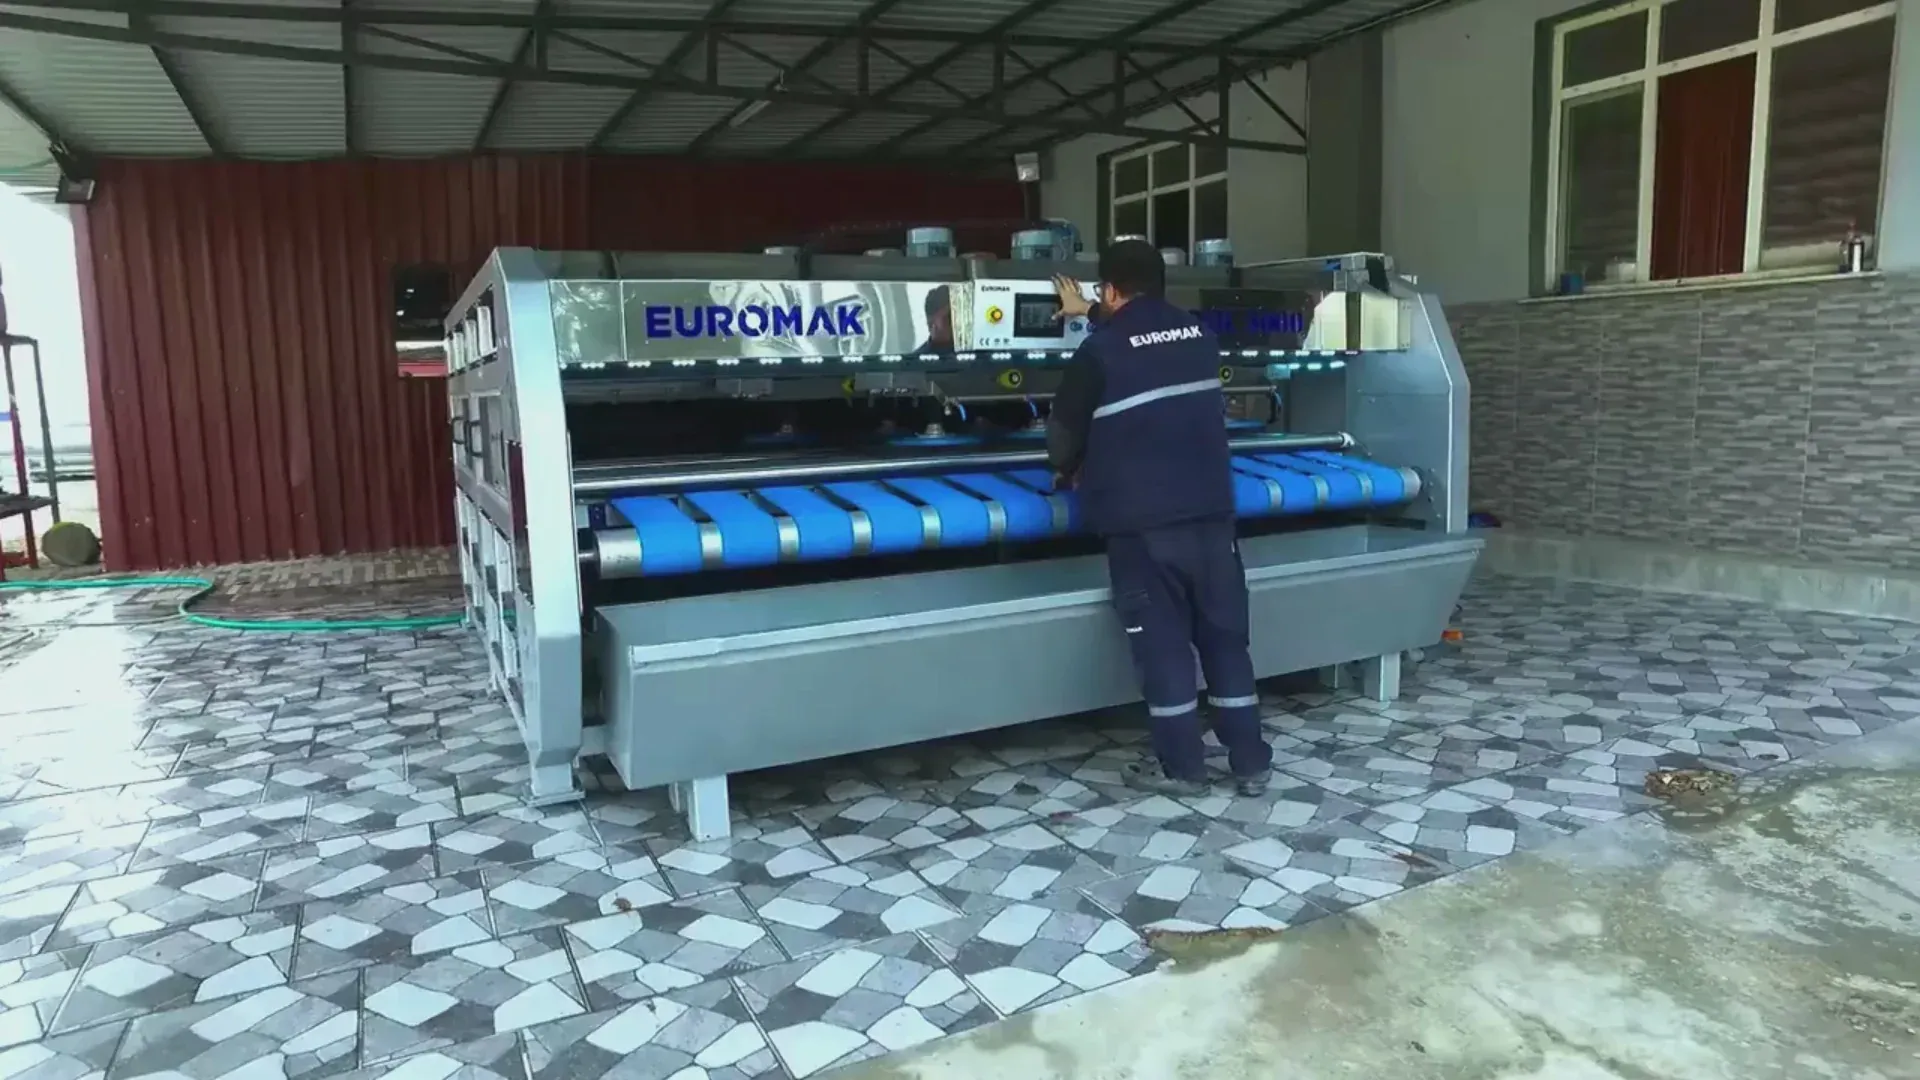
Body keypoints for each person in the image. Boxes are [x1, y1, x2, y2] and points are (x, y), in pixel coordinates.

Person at [1045, 239, 1273, 797]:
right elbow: (1146, 336)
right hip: (1214, 520)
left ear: (1110, 289)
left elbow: (1062, 435)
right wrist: (1092, 315)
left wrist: (1068, 469)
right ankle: (1249, 761)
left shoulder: (1098, 352)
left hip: (1144, 527)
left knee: (1165, 648)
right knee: (1224, 639)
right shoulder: (1200, 336)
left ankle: (1183, 769)